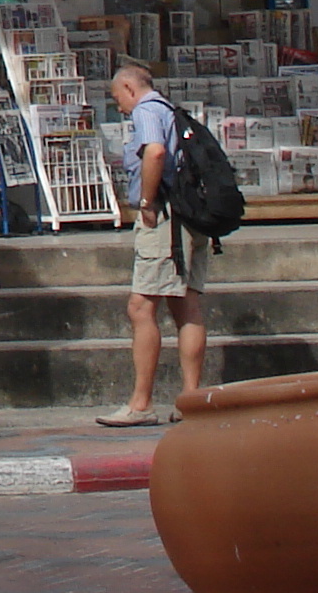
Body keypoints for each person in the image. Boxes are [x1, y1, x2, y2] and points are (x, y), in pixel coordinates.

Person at [103, 63, 208, 427]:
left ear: (130, 88)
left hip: (164, 218)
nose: (119, 107)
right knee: (186, 306)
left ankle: (140, 402)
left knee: (141, 307)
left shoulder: (147, 110)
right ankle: (191, 399)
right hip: (189, 218)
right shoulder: (171, 109)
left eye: (118, 98)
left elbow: (156, 153)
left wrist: (146, 203)